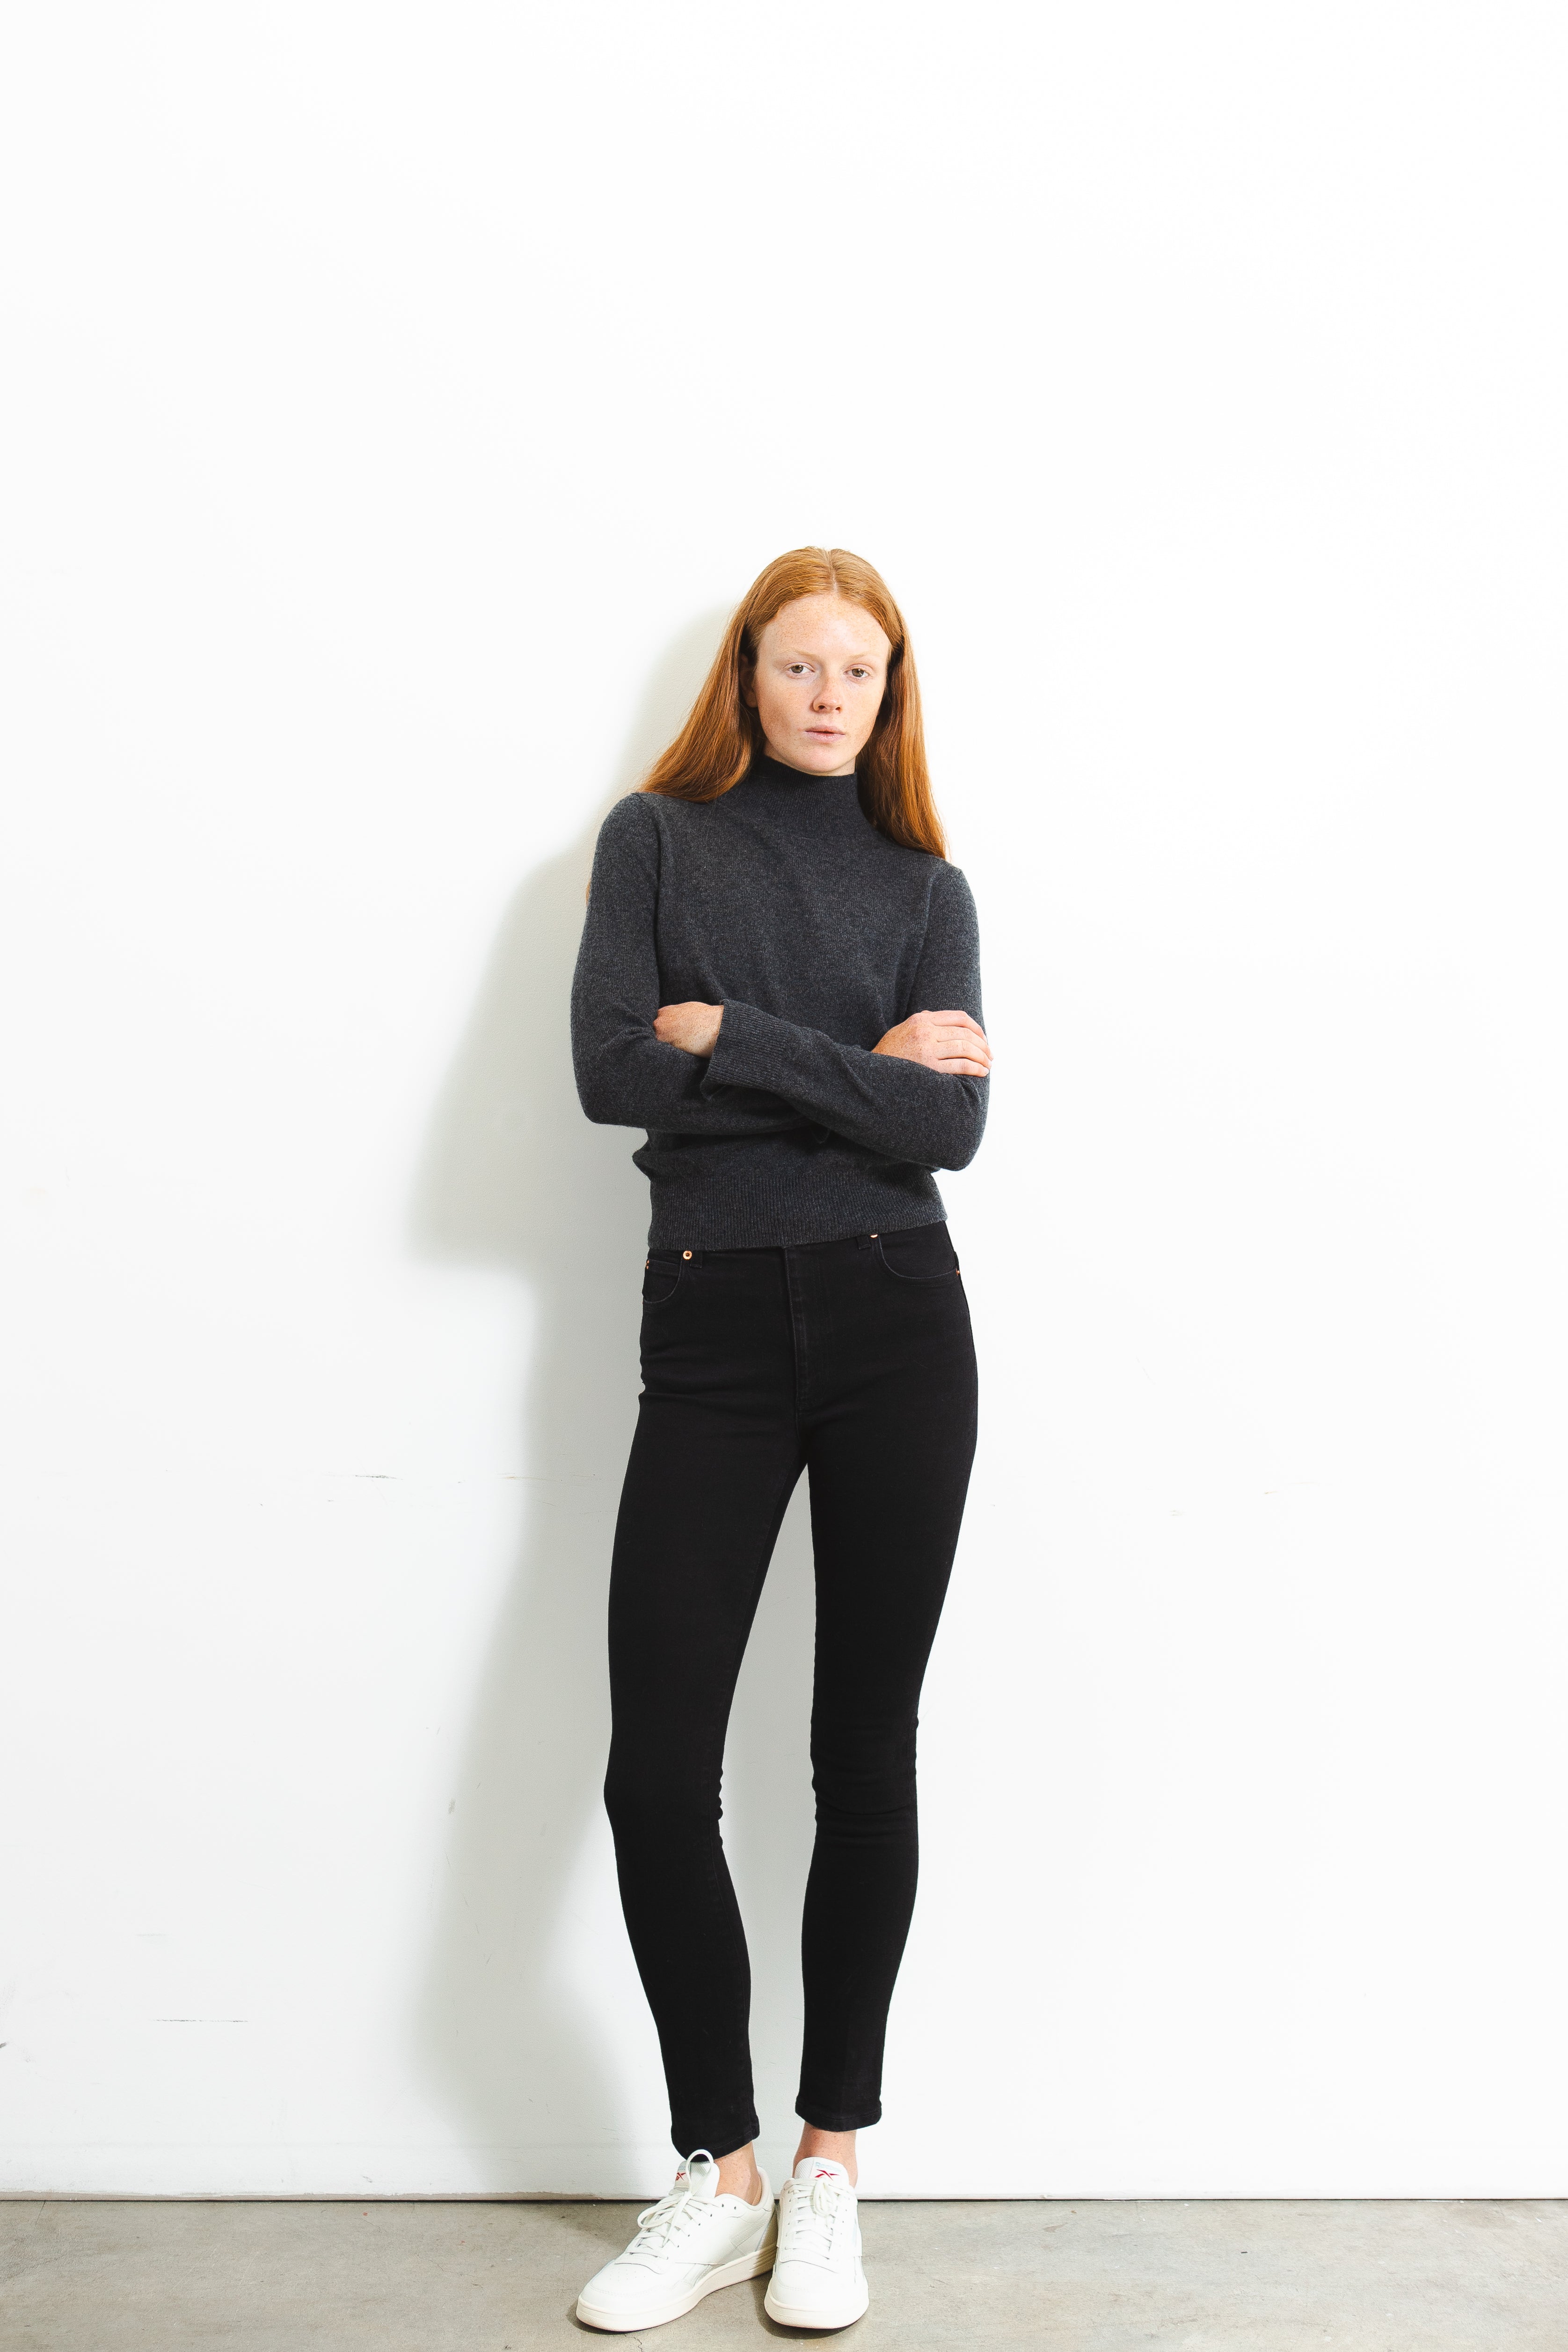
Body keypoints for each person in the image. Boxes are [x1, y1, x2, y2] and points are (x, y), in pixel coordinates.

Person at [568, 547, 990, 2334]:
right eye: (800, 664)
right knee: (657, 1771)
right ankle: (719, 2170)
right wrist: (861, 1069)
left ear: (892, 694)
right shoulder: (656, 842)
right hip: (714, 1321)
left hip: (901, 1318)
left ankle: (829, 2164)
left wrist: (734, 1036)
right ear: (746, 671)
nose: (830, 696)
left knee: (860, 1753)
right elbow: (609, 1072)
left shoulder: (928, 885)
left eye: (860, 672)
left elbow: (950, 1133)